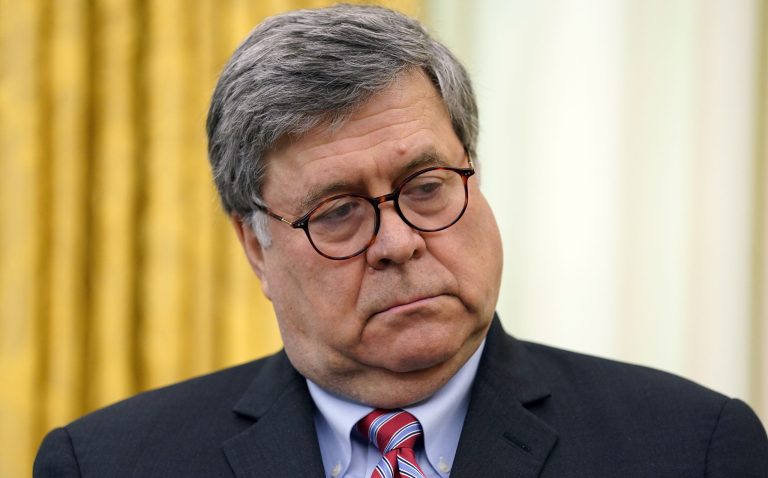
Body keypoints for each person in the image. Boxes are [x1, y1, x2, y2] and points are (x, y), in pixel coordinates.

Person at [34, 4, 768, 477]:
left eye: (425, 187)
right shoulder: (109, 463)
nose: (398, 243)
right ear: (256, 248)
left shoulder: (692, 448)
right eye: (339, 212)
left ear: (473, 175)